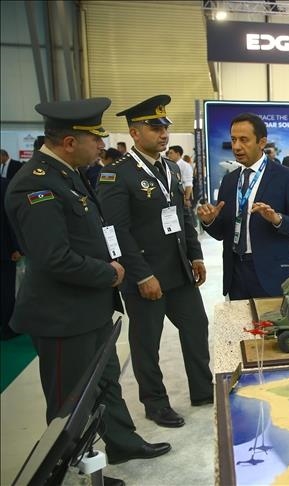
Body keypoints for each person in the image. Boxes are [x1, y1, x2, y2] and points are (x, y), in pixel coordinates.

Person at [3, 97, 170, 473]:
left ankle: (123, 443)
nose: (101, 145)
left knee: (106, 382)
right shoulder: (35, 185)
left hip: (89, 308)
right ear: (69, 142)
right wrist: (109, 274)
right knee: (70, 403)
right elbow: (54, 257)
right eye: (95, 138)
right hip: (63, 316)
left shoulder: (67, 173)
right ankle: (68, 472)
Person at [98, 95, 213, 429]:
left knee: (196, 327)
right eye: (155, 128)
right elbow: (116, 231)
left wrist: (195, 254)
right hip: (146, 276)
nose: (163, 134)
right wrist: (141, 275)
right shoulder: (116, 174)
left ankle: (203, 390)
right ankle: (155, 402)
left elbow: (182, 216)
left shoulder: (171, 168)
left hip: (178, 270)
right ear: (135, 133)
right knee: (146, 343)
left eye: (165, 128)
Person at [197, 113, 289, 300]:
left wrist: (277, 219)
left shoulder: (286, 177)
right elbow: (221, 233)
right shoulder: (229, 181)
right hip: (235, 274)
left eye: (244, 140)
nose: (236, 147)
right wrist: (209, 222)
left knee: (272, 320)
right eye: (233, 139)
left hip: (271, 274)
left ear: (261, 142)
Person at [0, 178, 21, 340]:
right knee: (6, 289)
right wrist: (16, 247)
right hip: (4, 249)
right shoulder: (4, 184)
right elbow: (11, 218)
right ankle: (8, 328)